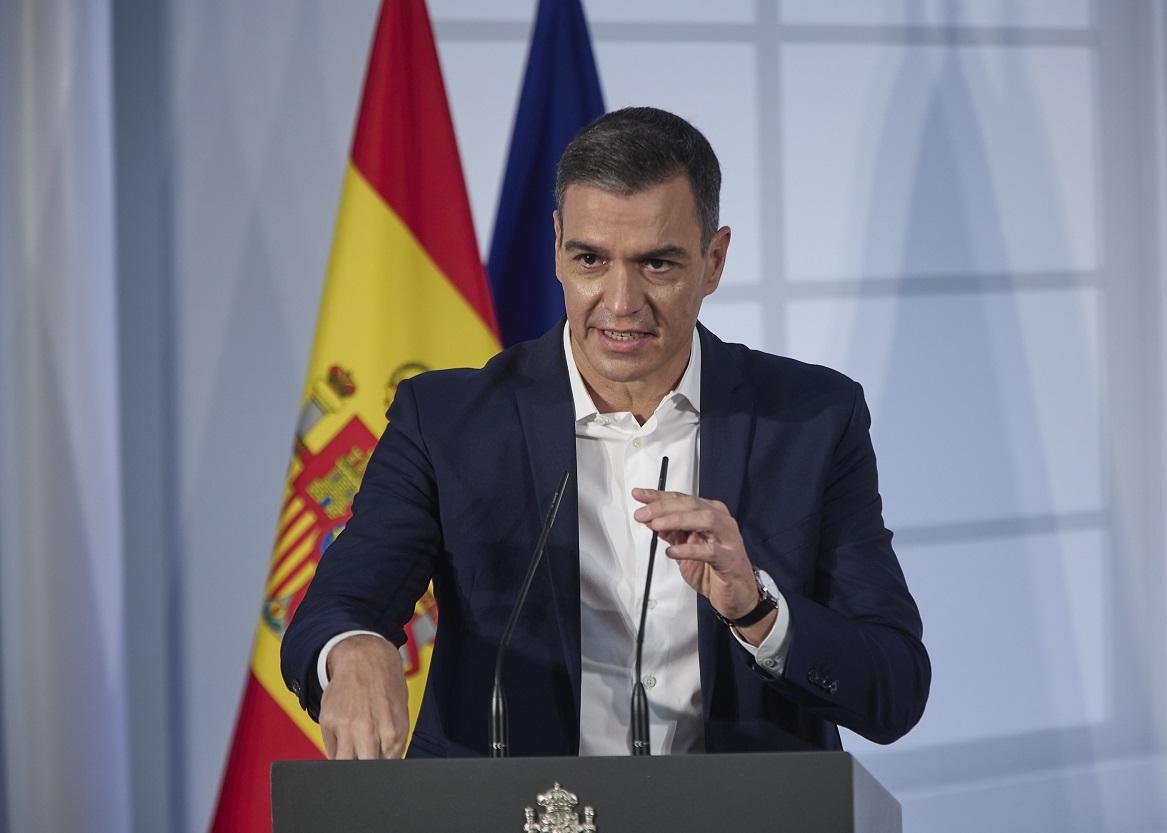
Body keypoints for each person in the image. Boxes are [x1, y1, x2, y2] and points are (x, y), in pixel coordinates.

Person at [281, 107, 930, 760]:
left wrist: (759, 612)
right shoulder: (447, 421)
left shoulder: (814, 419)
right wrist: (355, 648)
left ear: (714, 260)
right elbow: (335, 609)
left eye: (657, 265)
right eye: (590, 259)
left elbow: (895, 685)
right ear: (557, 245)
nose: (620, 302)